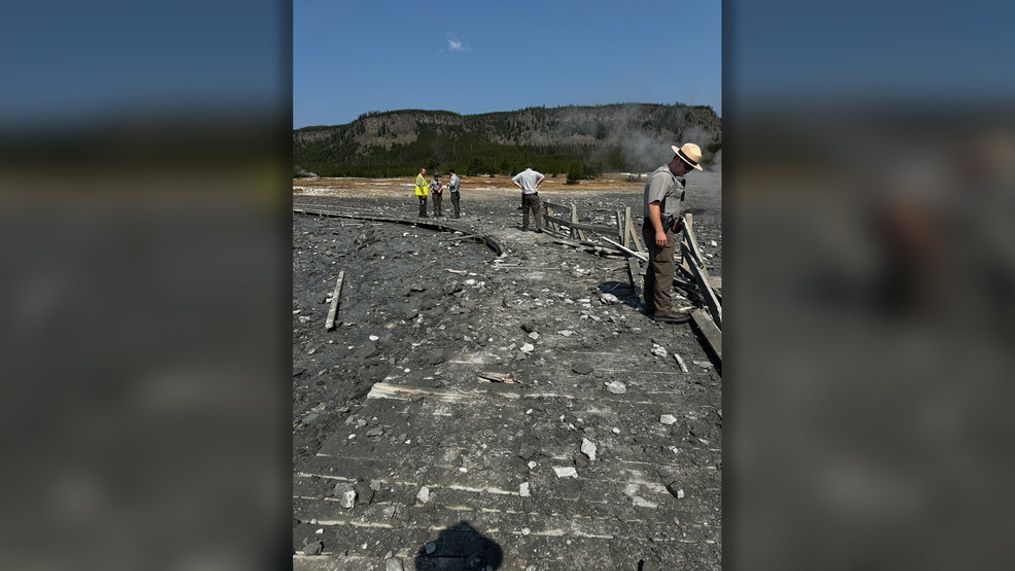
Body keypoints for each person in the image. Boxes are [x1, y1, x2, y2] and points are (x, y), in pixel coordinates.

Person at [642, 143, 703, 323]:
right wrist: (660, 231)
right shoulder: (663, 177)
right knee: (665, 268)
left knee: (657, 266)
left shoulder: (671, 177)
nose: (687, 170)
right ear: (677, 159)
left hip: (663, 227)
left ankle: (652, 304)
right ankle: (663, 311)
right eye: (686, 166)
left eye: (690, 168)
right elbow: (653, 205)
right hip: (658, 228)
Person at [511, 165, 545, 231]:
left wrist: (520, 186)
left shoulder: (521, 174)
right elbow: (543, 177)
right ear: (532, 168)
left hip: (525, 194)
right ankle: (539, 227)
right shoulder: (535, 173)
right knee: (536, 211)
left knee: (526, 211)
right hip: (533, 194)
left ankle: (525, 227)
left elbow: (513, 180)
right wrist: (537, 184)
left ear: (525, 168)